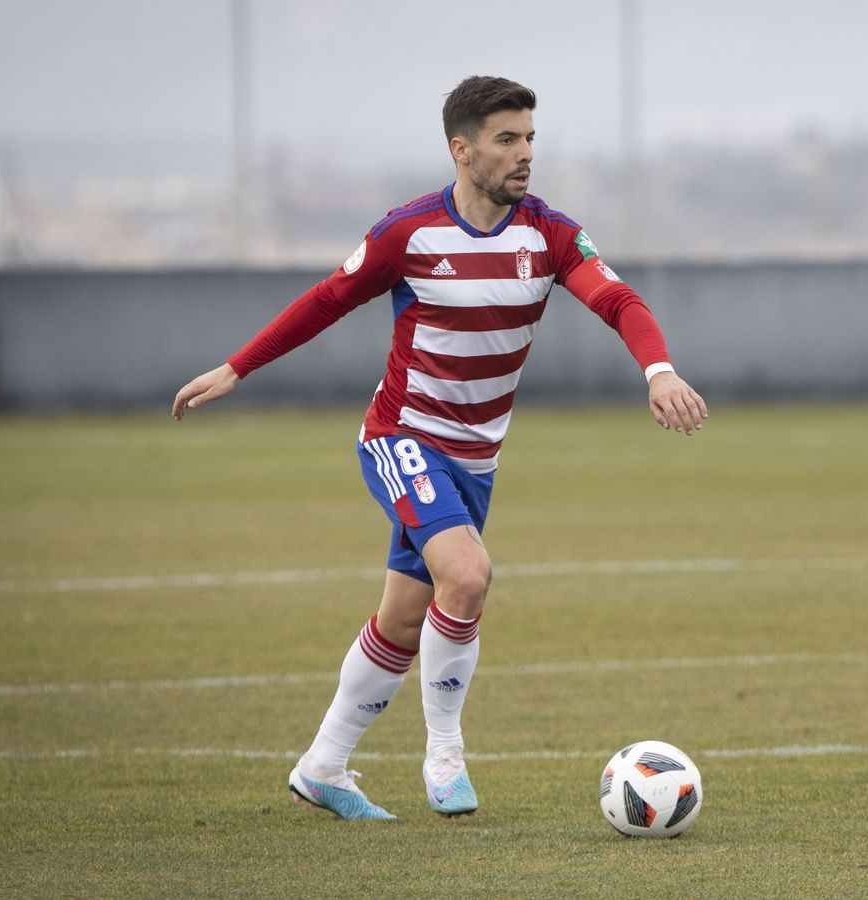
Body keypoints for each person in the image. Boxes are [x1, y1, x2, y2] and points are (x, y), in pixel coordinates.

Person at [172, 76, 708, 821]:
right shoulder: (410, 232)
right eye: (506, 139)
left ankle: (323, 766)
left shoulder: (549, 235)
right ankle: (446, 754)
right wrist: (236, 367)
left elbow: (618, 301)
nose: (525, 155)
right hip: (402, 438)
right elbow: (329, 297)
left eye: (529, 139)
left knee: (401, 620)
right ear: (462, 149)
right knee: (468, 576)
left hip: (475, 463)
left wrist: (659, 369)